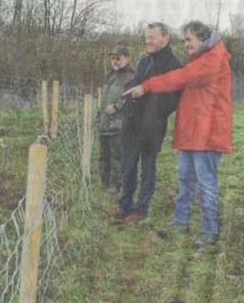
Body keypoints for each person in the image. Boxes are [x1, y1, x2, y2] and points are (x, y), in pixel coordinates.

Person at [123, 21, 232, 248]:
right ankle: (181, 221)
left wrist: (146, 86)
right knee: (185, 180)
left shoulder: (213, 61)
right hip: (192, 134)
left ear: (203, 39)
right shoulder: (201, 60)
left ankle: (210, 230)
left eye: (189, 39)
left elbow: (180, 77)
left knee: (207, 184)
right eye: (184, 40)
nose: (185, 45)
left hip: (207, 135)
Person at [112, 22, 181, 224]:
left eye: (152, 37)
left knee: (148, 169)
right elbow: (134, 85)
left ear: (166, 38)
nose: (147, 41)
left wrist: (152, 112)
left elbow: (172, 100)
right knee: (128, 167)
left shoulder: (173, 64)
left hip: (152, 128)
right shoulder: (144, 61)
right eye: (146, 37)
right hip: (133, 125)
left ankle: (141, 209)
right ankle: (124, 205)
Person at [96, 45, 135, 194]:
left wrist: (117, 108)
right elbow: (103, 100)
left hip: (119, 124)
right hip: (105, 124)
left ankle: (115, 185)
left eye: (118, 57)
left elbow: (130, 99)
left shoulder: (131, 76)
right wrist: (99, 117)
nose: (115, 61)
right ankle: (104, 182)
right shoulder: (110, 75)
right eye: (113, 58)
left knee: (117, 156)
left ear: (127, 58)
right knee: (103, 155)